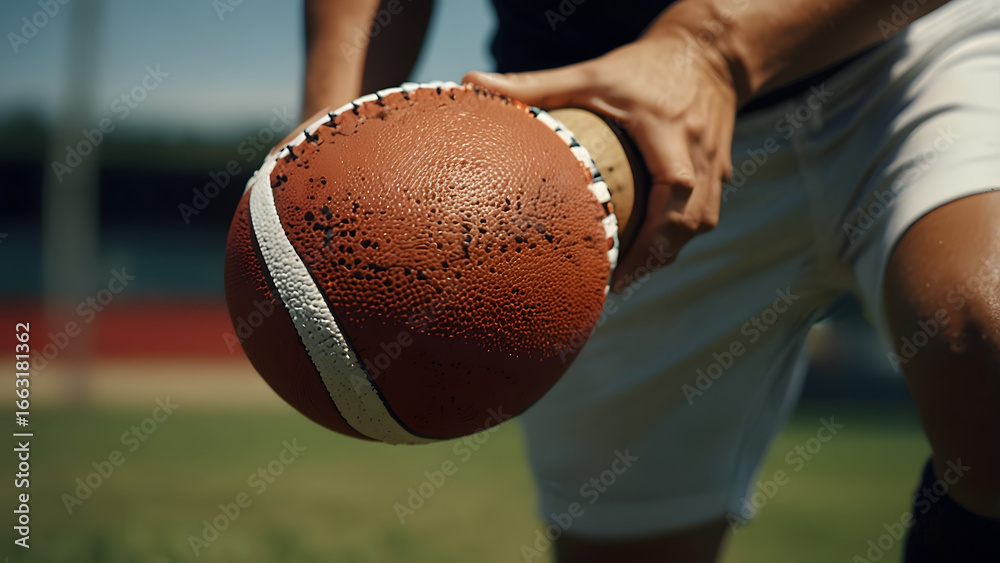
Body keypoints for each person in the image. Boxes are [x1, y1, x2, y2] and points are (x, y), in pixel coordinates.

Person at [302, 0, 1000, 561]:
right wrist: (326, 139)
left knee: (985, 330)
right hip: (609, 138)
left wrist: (712, 46)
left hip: (903, 49)